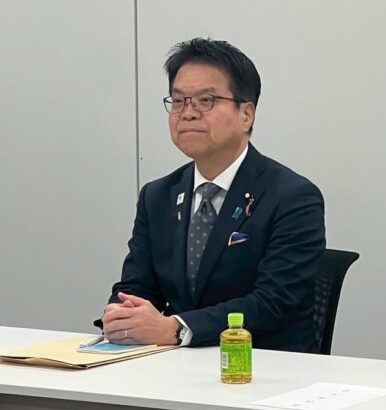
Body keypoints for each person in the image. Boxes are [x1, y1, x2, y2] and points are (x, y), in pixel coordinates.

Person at [99, 38, 326, 350]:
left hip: (264, 364)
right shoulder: (157, 196)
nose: (188, 113)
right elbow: (137, 286)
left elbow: (273, 302)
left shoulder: (292, 197)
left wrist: (176, 329)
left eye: (205, 100)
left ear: (246, 114)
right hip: (174, 366)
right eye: (178, 101)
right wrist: (123, 315)